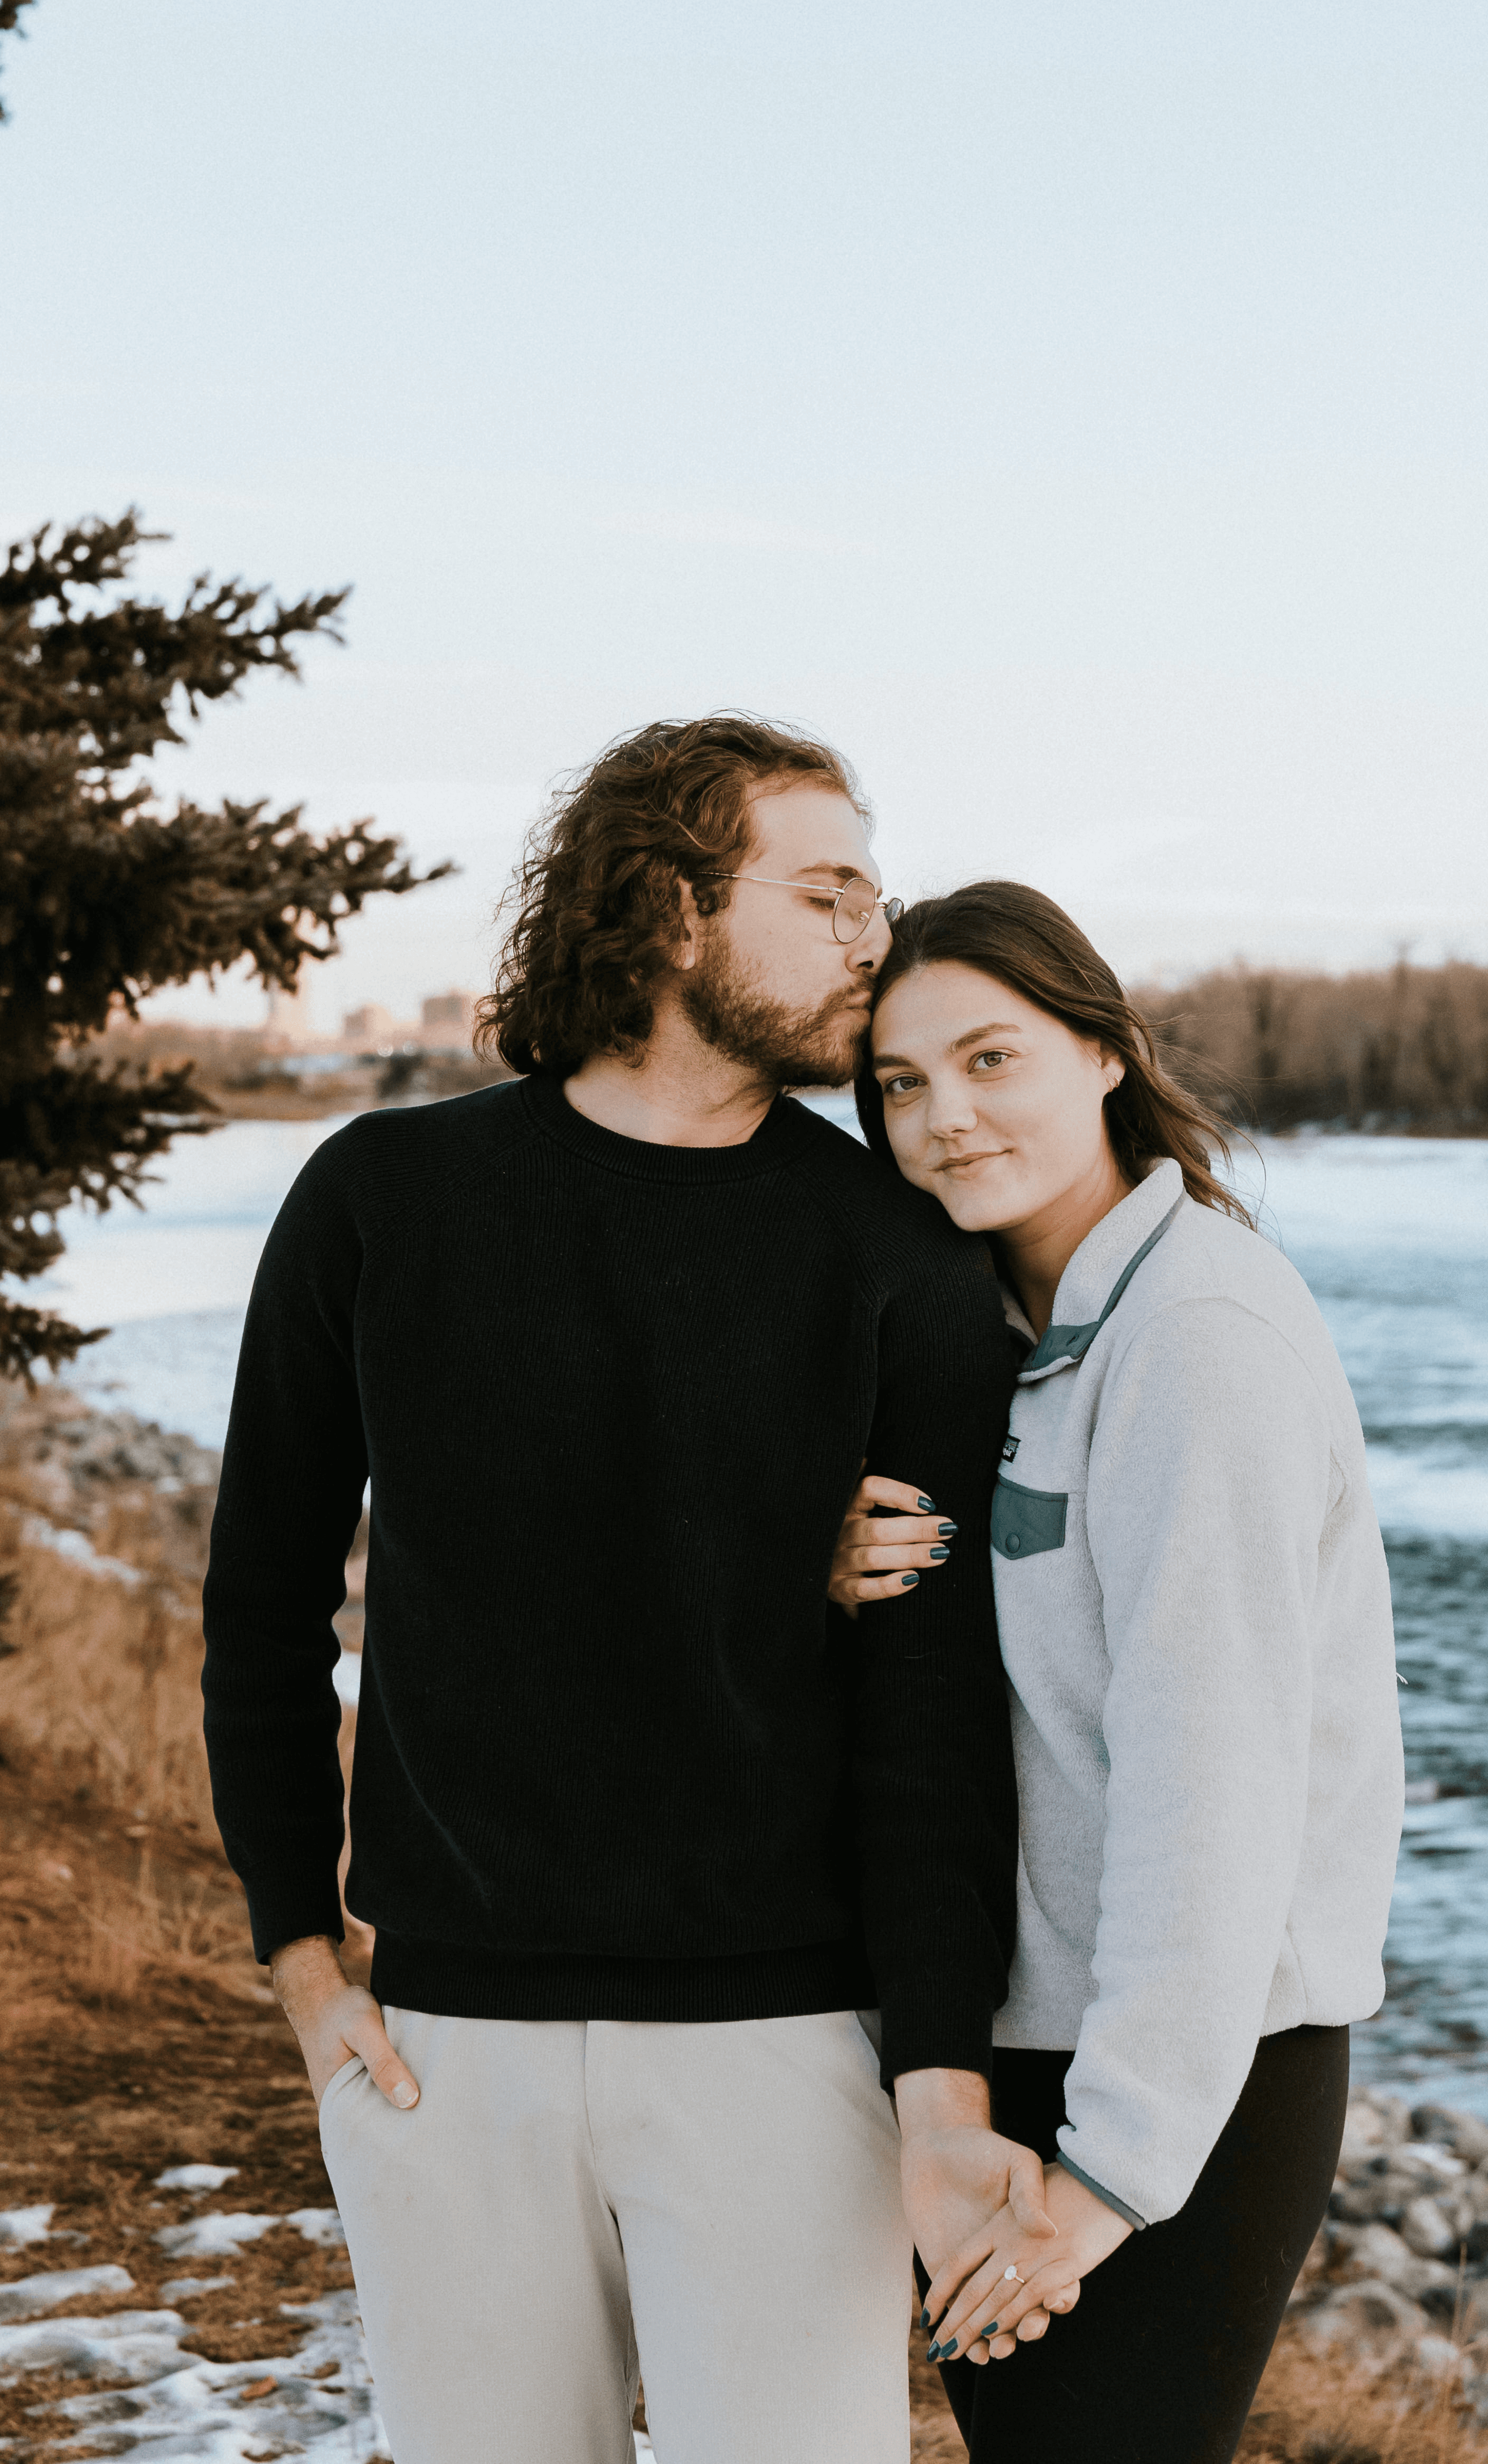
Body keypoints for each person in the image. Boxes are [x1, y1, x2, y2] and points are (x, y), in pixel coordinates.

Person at [201, 719, 1057, 2464]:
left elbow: (932, 1719)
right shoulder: (386, 1197)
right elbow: (265, 1601)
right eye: (825, 894)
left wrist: (937, 2082)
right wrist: (304, 1961)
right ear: (668, 905)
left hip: (787, 2049)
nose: (868, 940)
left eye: (873, 898)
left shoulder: (899, 1253)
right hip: (440, 2046)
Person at [830, 880, 1406, 2463]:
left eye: (992, 1058)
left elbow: (1211, 1790)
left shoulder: (1196, 1336)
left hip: (1184, 2082)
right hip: (1032, 2041)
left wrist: (1109, 2182)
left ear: (1103, 1051)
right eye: (899, 1083)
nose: (944, 1117)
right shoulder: (1015, 1327)